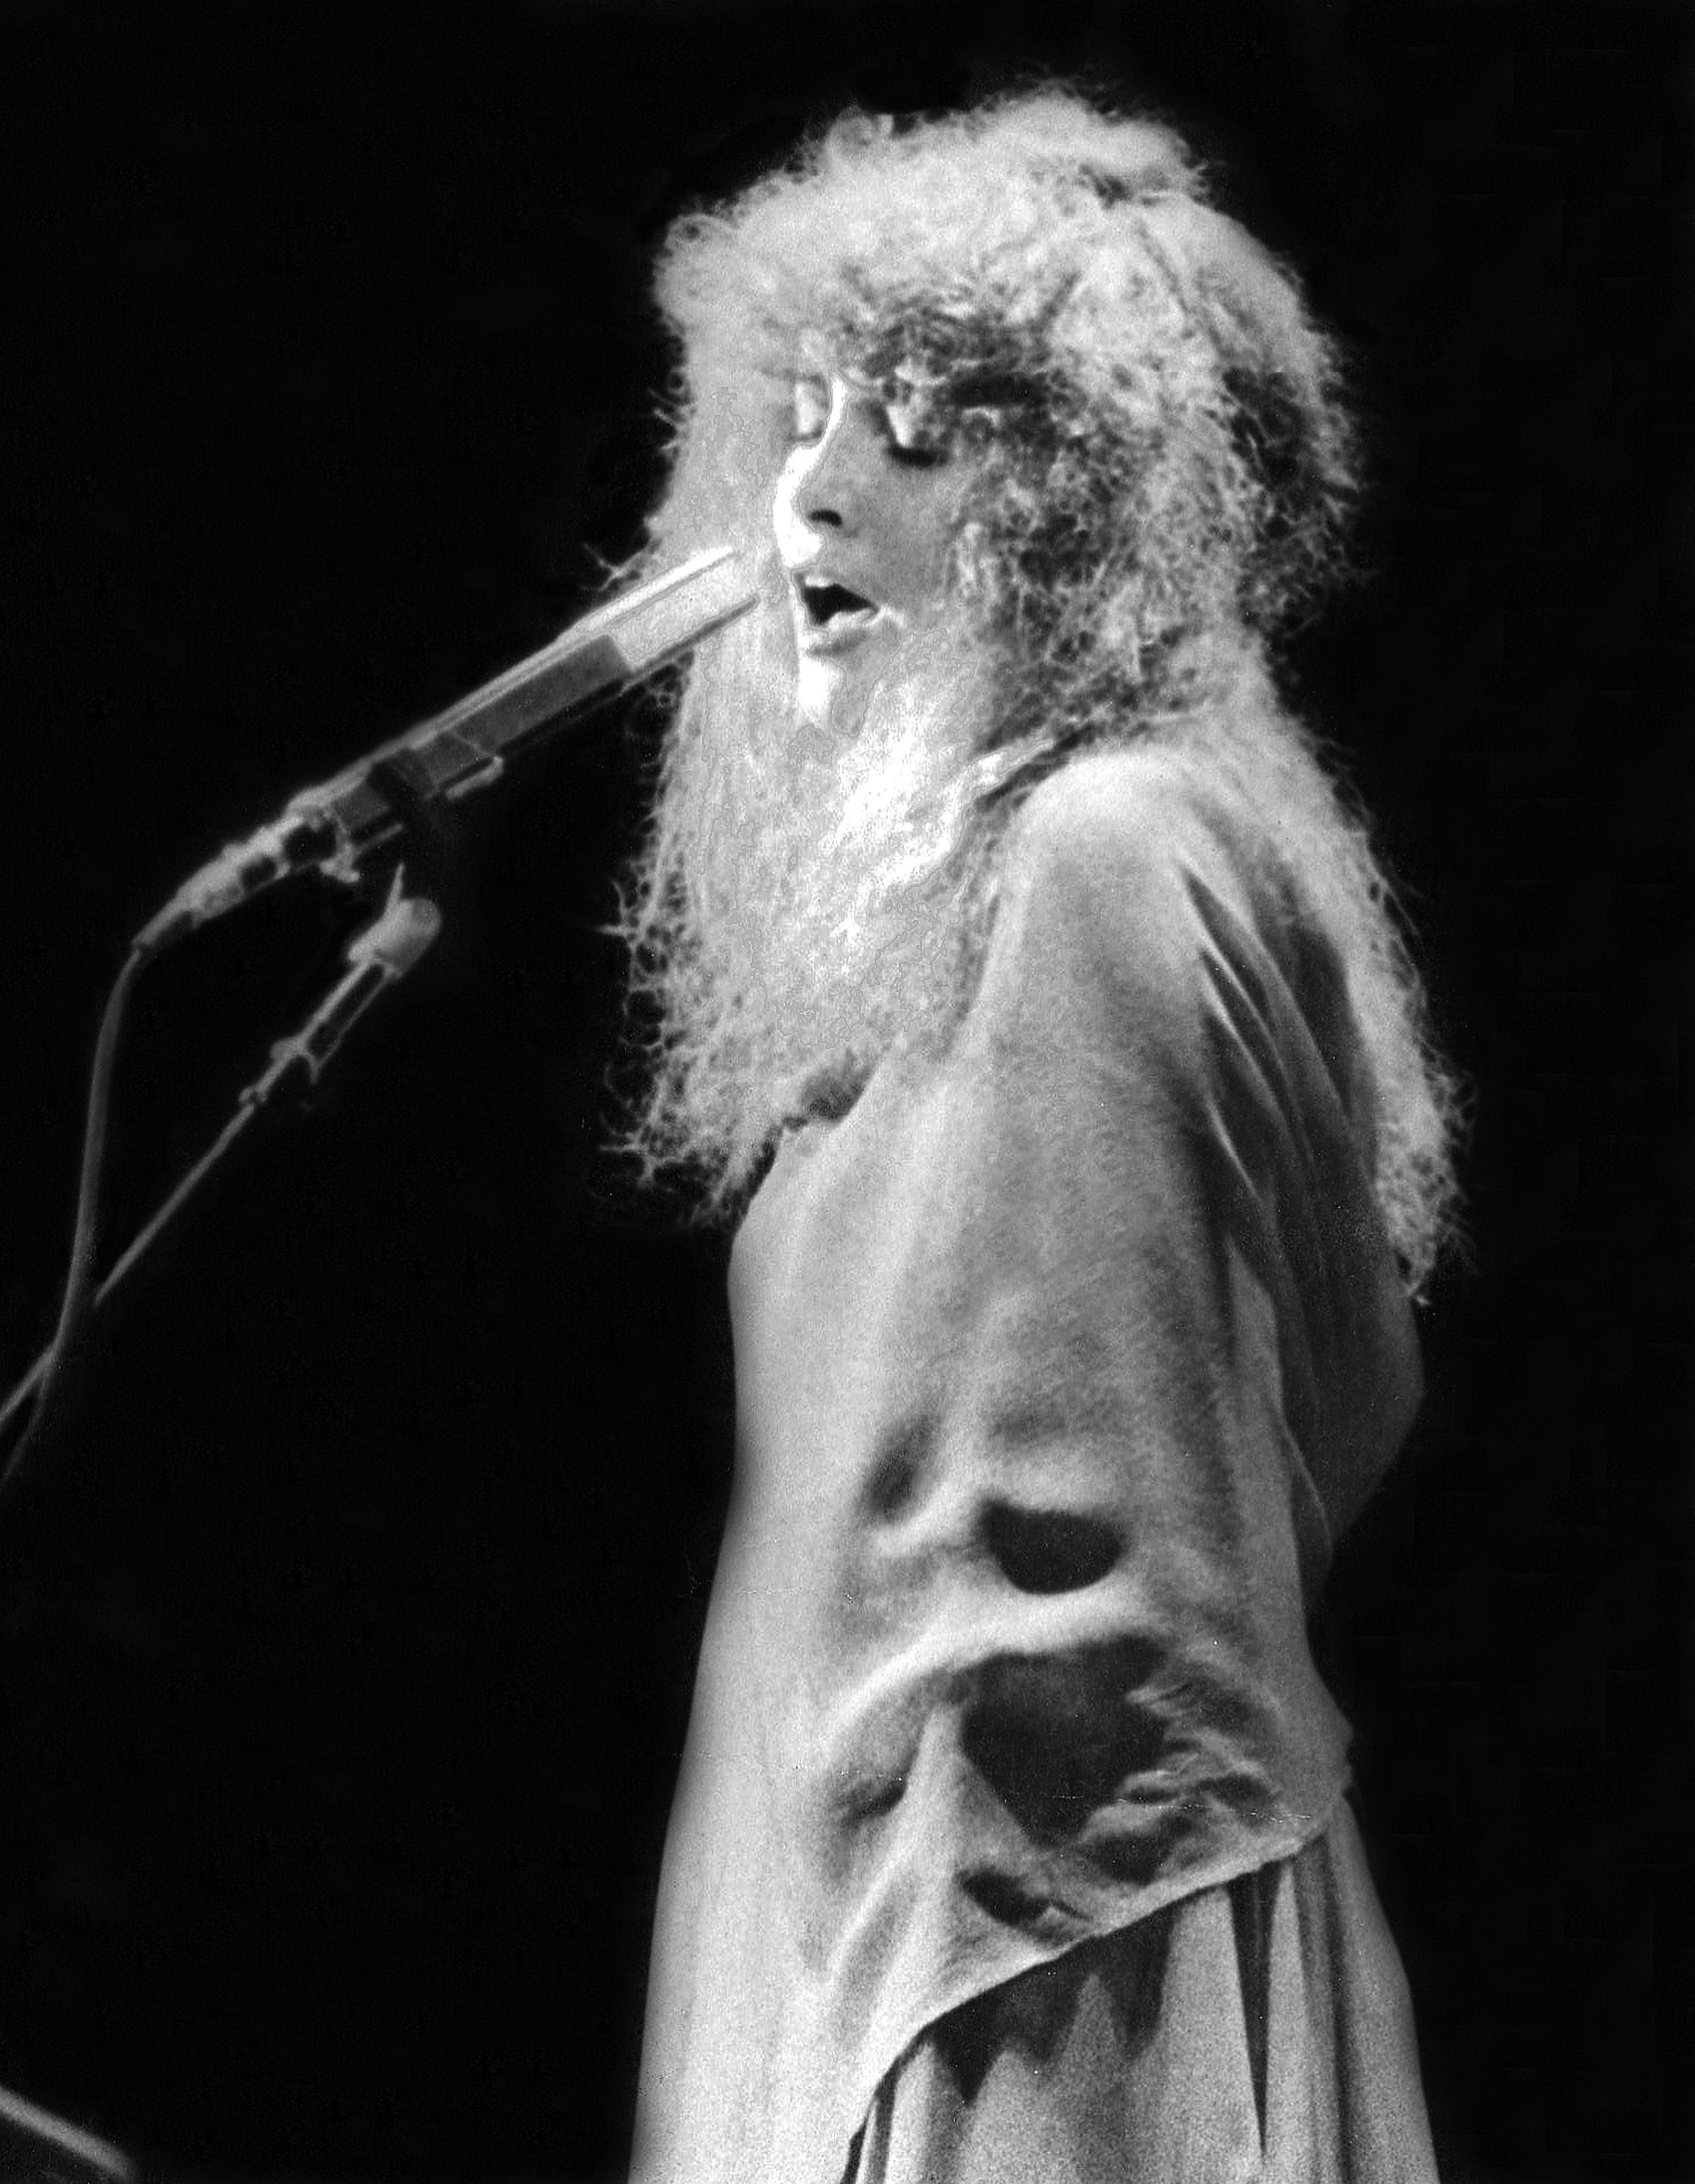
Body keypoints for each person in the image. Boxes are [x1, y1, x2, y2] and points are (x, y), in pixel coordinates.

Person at [617, 95, 1455, 2181]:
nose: (810, 487)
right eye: (798, 413)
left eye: (913, 424)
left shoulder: (1107, 846)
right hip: (875, 1940)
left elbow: (1271, 1443)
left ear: (1078, 493)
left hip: (1057, 1961)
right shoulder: (939, 931)